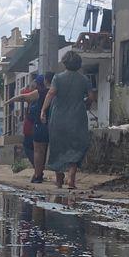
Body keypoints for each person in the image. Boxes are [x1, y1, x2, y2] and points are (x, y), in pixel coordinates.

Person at [40, 51, 95, 189]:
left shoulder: (57, 78)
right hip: (77, 118)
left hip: (58, 118)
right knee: (76, 147)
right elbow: (91, 97)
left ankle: (59, 181)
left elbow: (51, 93)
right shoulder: (84, 80)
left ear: (64, 63)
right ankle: (71, 178)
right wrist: (86, 104)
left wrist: (43, 110)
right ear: (78, 64)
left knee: (58, 148)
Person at [4, 73, 51, 183]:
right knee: (42, 150)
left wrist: (8, 101)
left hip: (39, 124)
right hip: (52, 124)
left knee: (37, 150)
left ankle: (38, 173)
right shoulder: (54, 93)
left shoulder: (41, 93)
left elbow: (23, 97)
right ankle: (42, 173)